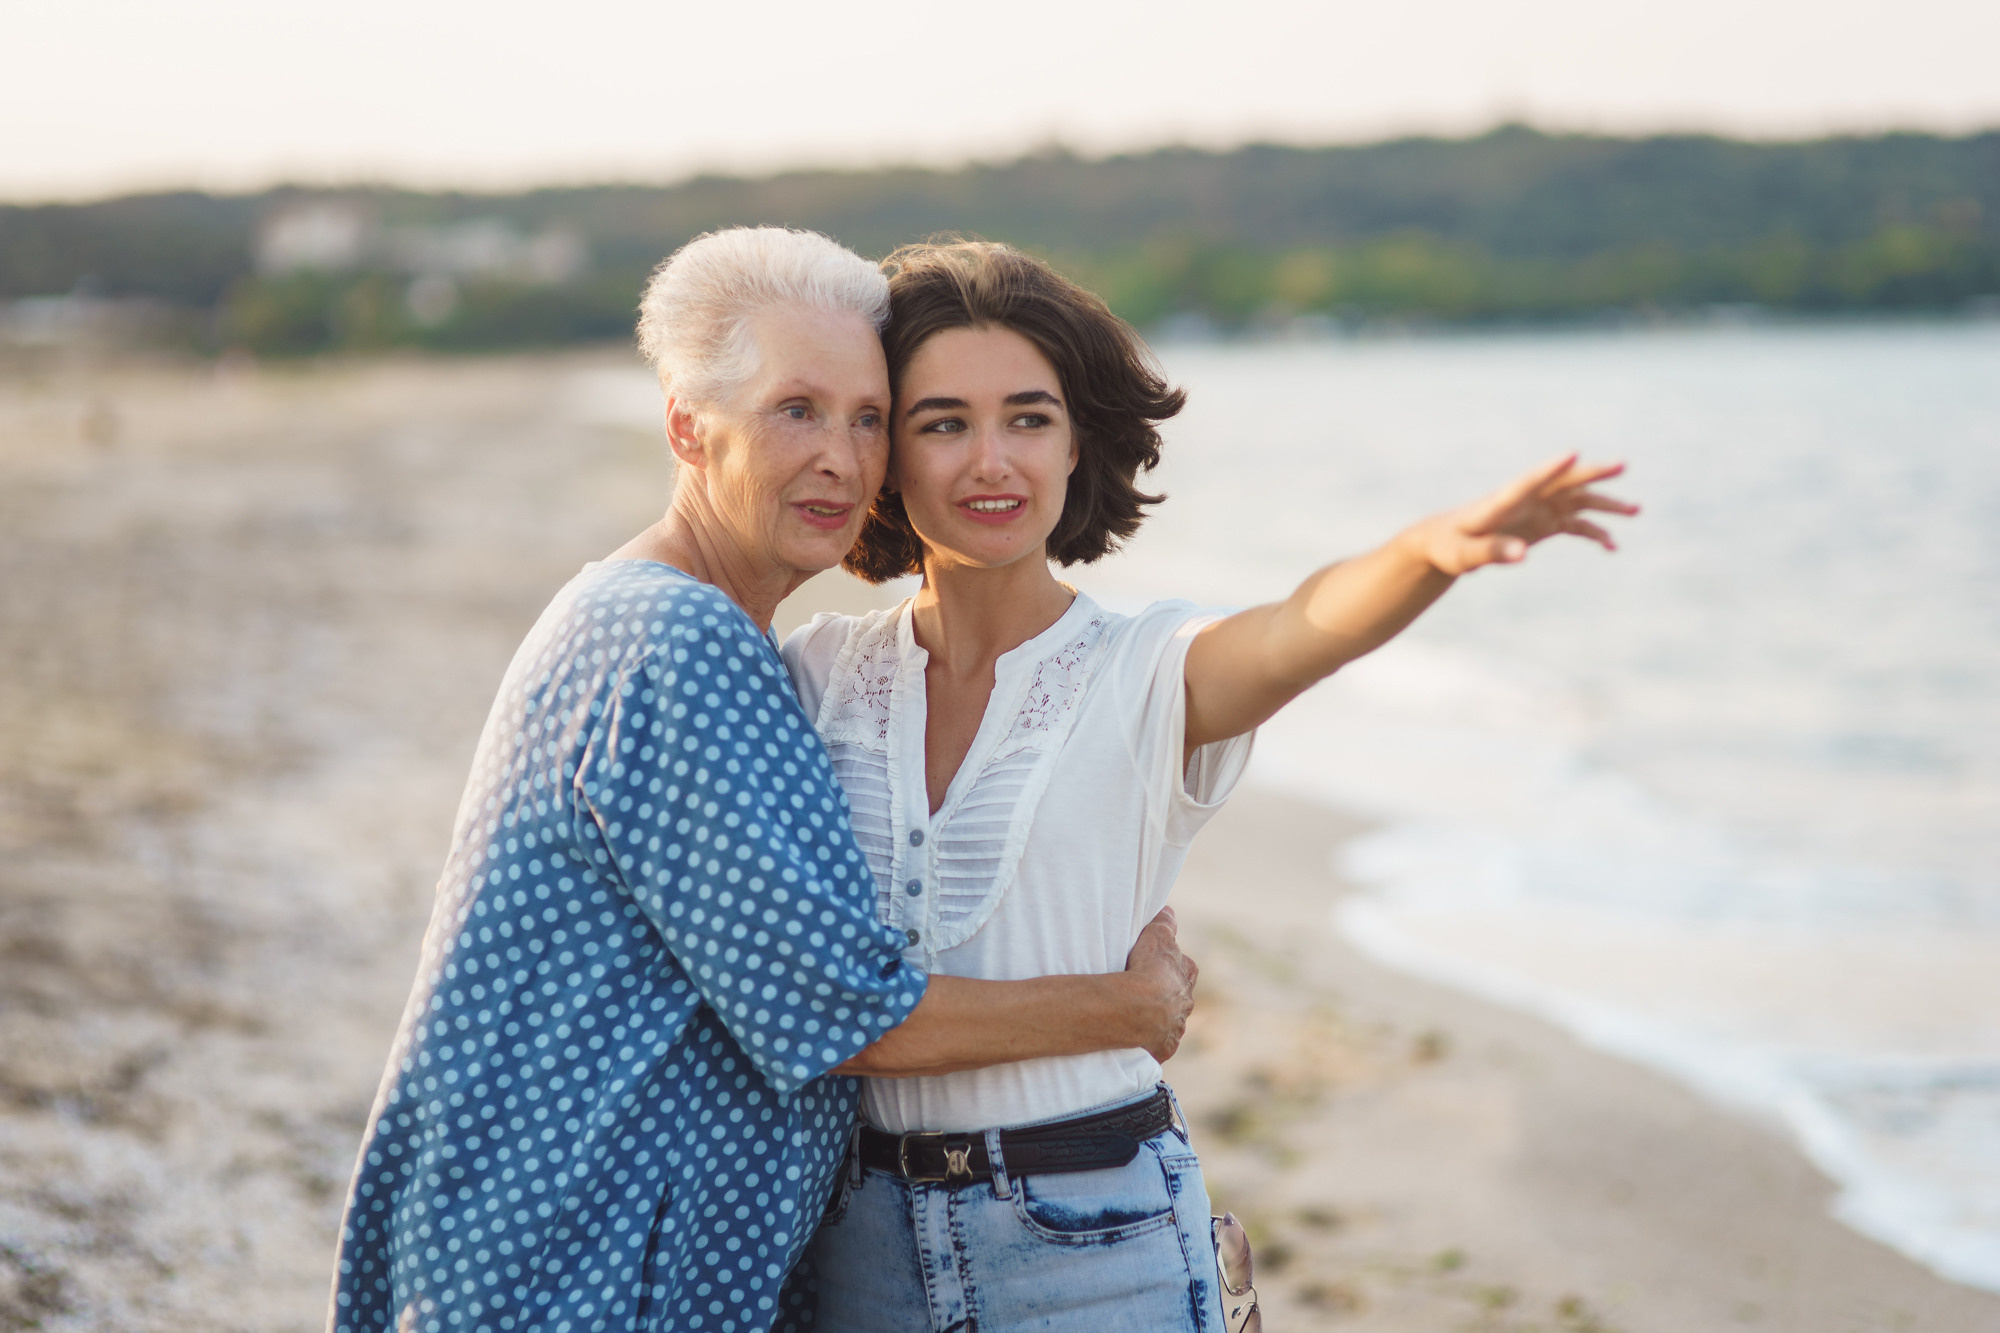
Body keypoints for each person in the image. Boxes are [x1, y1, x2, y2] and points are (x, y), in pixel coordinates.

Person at [325, 228, 1200, 1333]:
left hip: (563, 1257)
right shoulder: (675, 643)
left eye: (868, 418)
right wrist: (1126, 1008)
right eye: (797, 410)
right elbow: (839, 1015)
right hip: (576, 1276)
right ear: (688, 426)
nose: (840, 457)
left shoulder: (664, 621)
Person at [778, 240, 1637, 1331]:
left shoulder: (1147, 671)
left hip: (1095, 1238)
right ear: (886, 450)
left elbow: (1296, 630)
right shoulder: (814, 676)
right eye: (942, 423)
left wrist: (1427, 554)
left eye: (1028, 418)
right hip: (855, 1243)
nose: (991, 460)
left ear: (1077, 441)